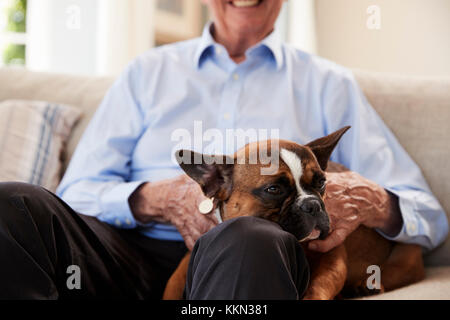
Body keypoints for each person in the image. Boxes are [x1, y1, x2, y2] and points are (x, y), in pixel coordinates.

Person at [0, 0, 447, 299]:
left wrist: (369, 200)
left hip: (251, 257)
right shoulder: (147, 72)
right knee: (13, 204)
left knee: (246, 234)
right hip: (130, 251)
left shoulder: (329, 84)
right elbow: (76, 191)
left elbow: (429, 214)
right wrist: (152, 198)